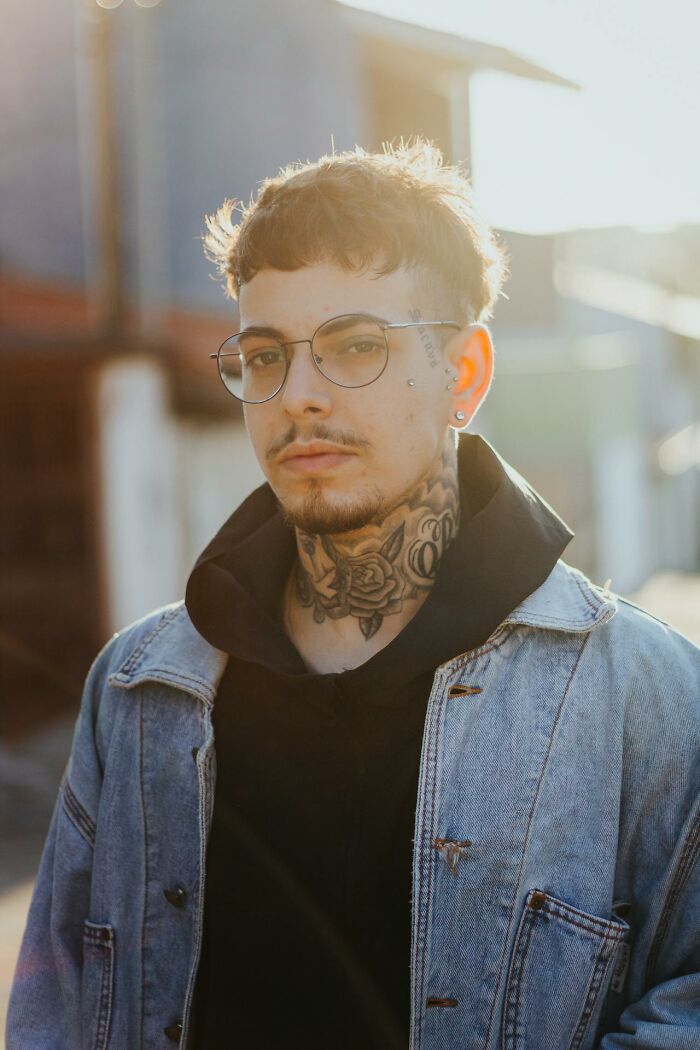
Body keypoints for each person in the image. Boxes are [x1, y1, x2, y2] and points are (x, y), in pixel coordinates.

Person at [6, 140, 700, 1050]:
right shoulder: (142, 689)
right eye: (264, 357)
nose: (298, 396)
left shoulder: (645, 693)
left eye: (355, 347)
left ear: (465, 374)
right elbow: (57, 1008)